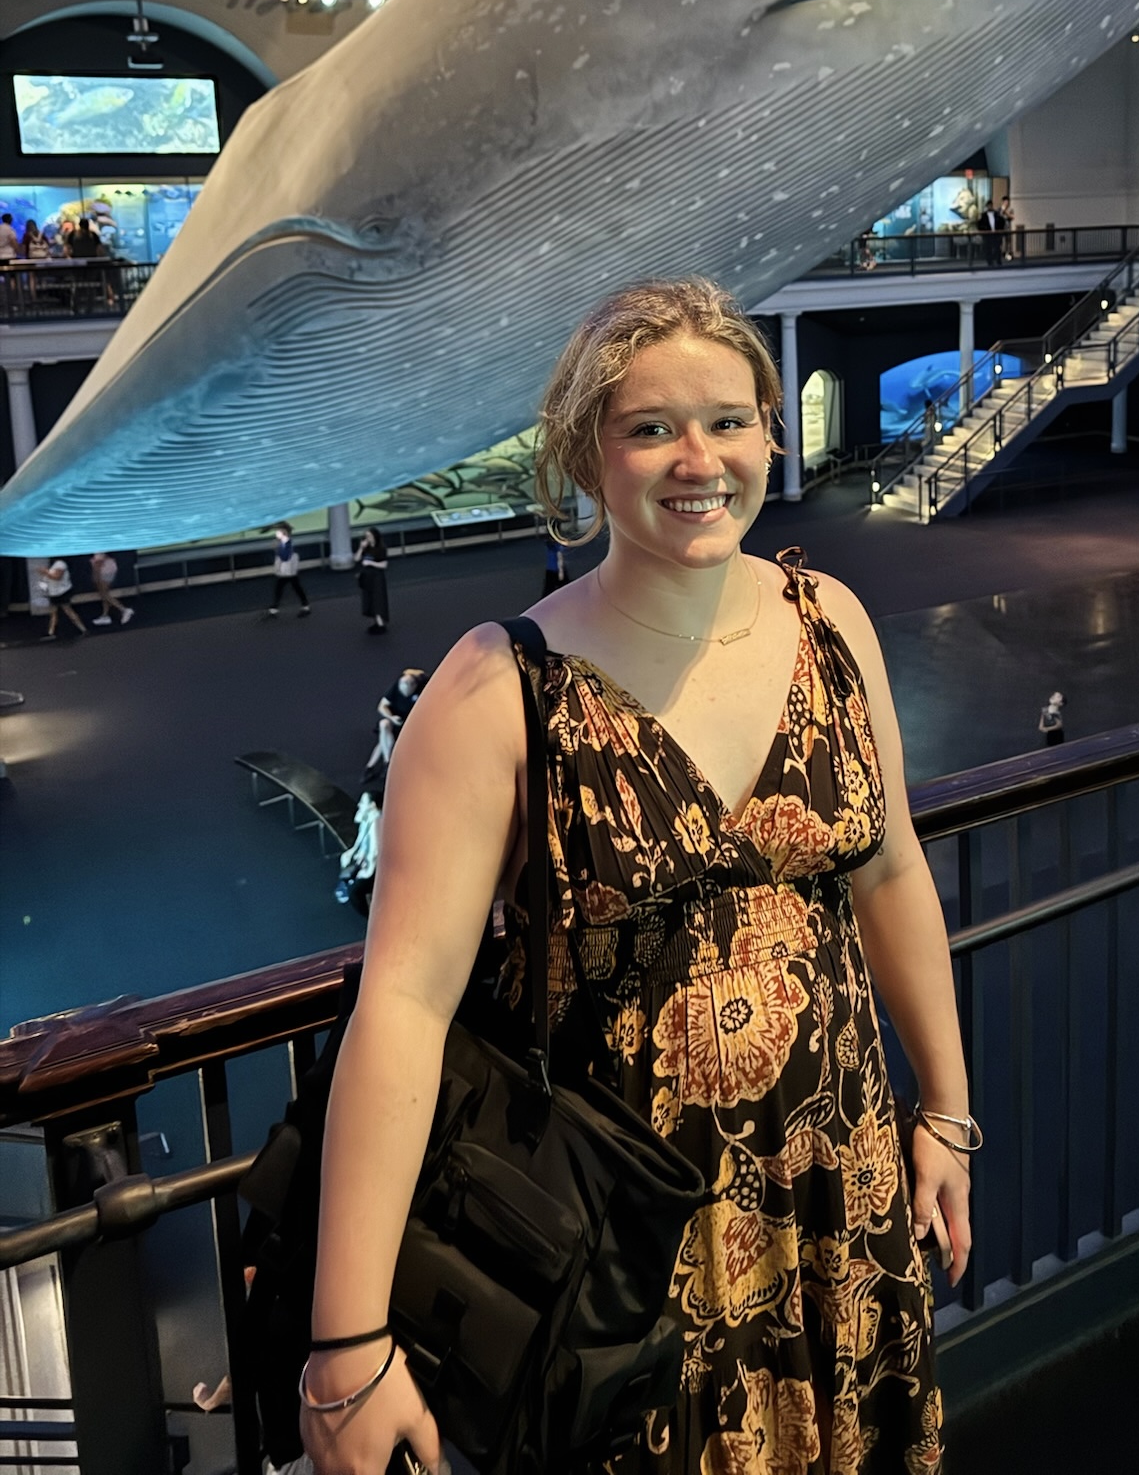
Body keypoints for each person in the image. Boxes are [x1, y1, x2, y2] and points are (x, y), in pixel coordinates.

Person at [302, 278, 968, 1474]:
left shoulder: (832, 624)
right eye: (651, 427)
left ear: (770, 430)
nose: (698, 458)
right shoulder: (497, 688)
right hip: (626, 1246)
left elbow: (890, 871)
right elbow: (402, 1003)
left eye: (728, 419)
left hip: (841, 1188)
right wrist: (346, 1340)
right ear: (585, 455)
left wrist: (948, 1116)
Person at [365, 666, 424, 775]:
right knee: (384, 725)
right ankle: (387, 762)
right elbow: (382, 706)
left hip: (410, 725)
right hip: (395, 721)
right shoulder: (395, 689)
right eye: (402, 685)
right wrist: (392, 717)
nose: (404, 689)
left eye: (408, 685)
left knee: (382, 743)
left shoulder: (422, 686)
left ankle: (371, 767)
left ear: (414, 685)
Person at [267, 523, 311, 617]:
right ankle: (305, 606)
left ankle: (274, 609)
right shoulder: (286, 542)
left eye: (278, 532)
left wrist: (277, 549)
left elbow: (284, 557)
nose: (276, 534)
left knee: (283, 588)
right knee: (294, 587)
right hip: (288, 571)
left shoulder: (286, 544)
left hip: (287, 571)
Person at [353, 527, 389, 633]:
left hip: (377, 577)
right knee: (369, 599)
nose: (367, 538)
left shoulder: (381, 549)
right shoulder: (366, 548)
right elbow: (356, 558)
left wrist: (370, 563)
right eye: (366, 536)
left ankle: (381, 624)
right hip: (367, 577)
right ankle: (376, 622)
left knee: (377, 599)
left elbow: (384, 565)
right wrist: (361, 548)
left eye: (369, 536)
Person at [41, 559, 87, 640]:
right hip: (54, 593)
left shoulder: (60, 564)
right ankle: (51, 633)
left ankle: (83, 629)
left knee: (68, 611)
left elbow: (57, 577)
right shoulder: (55, 564)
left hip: (61, 593)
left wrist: (45, 572)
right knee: (54, 613)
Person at [88, 552, 133, 627]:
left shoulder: (98, 552)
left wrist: (96, 576)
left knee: (104, 594)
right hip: (108, 570)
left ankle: (124, 609)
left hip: (104, 572)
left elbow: (98, 563)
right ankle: (105, 616)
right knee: (104, 594)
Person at [978, 194, 1006, 266]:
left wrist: (1000, 231)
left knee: (997, 248)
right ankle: (990, 262)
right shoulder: (984, 215)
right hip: (988, 235)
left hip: (996, 234)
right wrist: (983, 232)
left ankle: (998, 261)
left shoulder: (996, 214)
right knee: (988, 249)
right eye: (989, 206)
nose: (990, 207)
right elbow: (980, 225)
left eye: (991, 205)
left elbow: (1002, 222)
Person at [541, 526, 568, 597]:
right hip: (558, 569)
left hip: (550, 568)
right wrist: (561, 572)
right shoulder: (559, 544)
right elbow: (559, 557)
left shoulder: (549, 543)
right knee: (565, 589)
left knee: (548, 591)